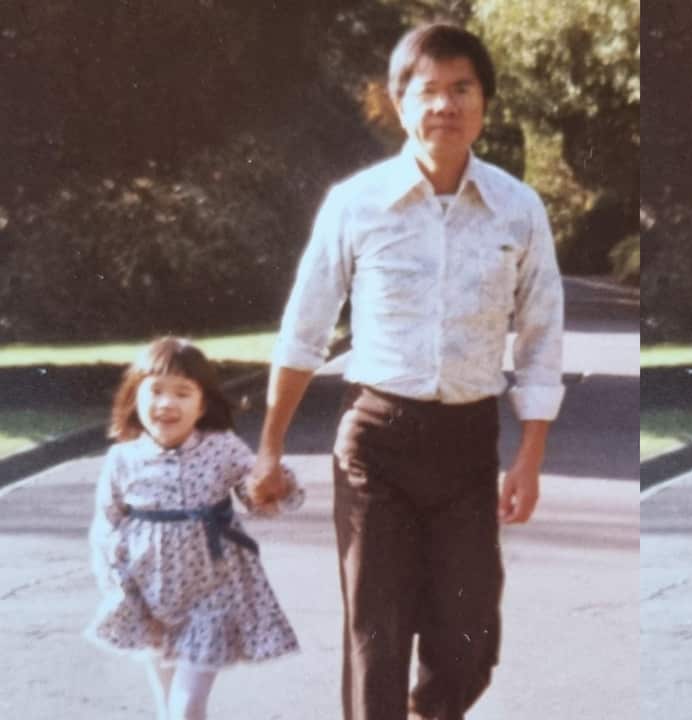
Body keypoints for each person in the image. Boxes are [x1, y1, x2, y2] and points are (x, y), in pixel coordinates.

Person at [247, 21, 564, 720]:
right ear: (398, 102)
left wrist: (531, 455)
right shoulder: (355, 204)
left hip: (467, 446)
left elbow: (541, 338)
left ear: (484, 102)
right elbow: (304, 330)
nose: (445, 105)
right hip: (376, 442)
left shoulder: (518, 208)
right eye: (428, 90)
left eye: (462, 89)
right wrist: (270, 446)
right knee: (375, 635)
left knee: (470, 638)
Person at [85, 336, 303, 720]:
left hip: (212, 593)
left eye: (183, 393)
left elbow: (259, 498)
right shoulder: (123, 458)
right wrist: (115, 584)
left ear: (203, 404)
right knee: (167, 707)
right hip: (146, 596)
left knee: (186, 708)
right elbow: (106, 525)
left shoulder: (222, 447)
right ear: (135, 397)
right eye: (155, 391)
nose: (167, 403)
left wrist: (275, 482)